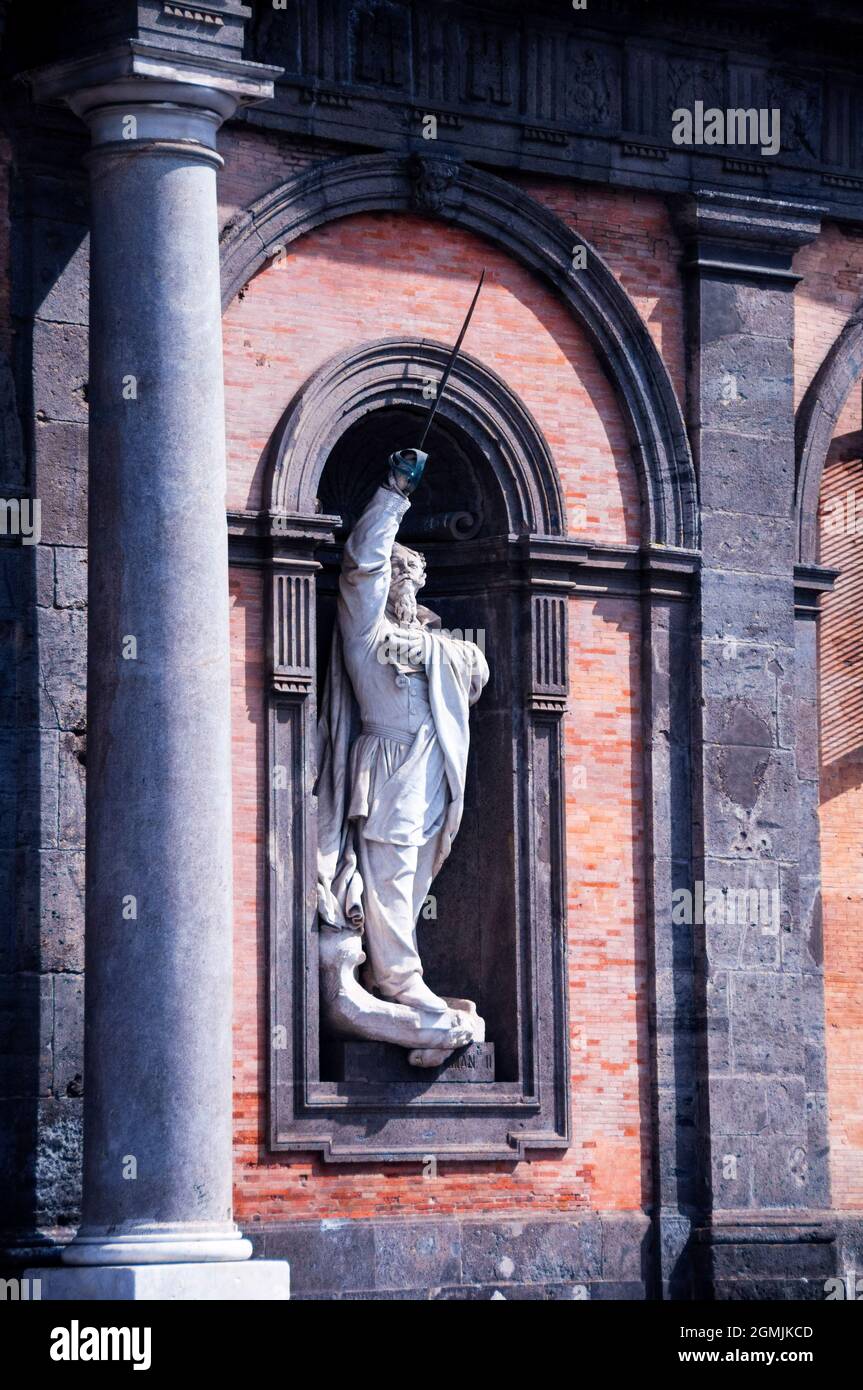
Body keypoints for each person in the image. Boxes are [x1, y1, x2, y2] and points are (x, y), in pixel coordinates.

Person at [316, 448, 489, 1021]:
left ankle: (398, 969)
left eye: (413, 580)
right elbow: (360, 564)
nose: (407, 590)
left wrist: (443, 650)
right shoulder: (367, 633)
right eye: (400, 578)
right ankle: (397, 978)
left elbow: (476, 671)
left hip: (432, 762)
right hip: (388, 761)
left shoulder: (437, 644)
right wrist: (394, 495)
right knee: (390, 874)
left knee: (416, 872)